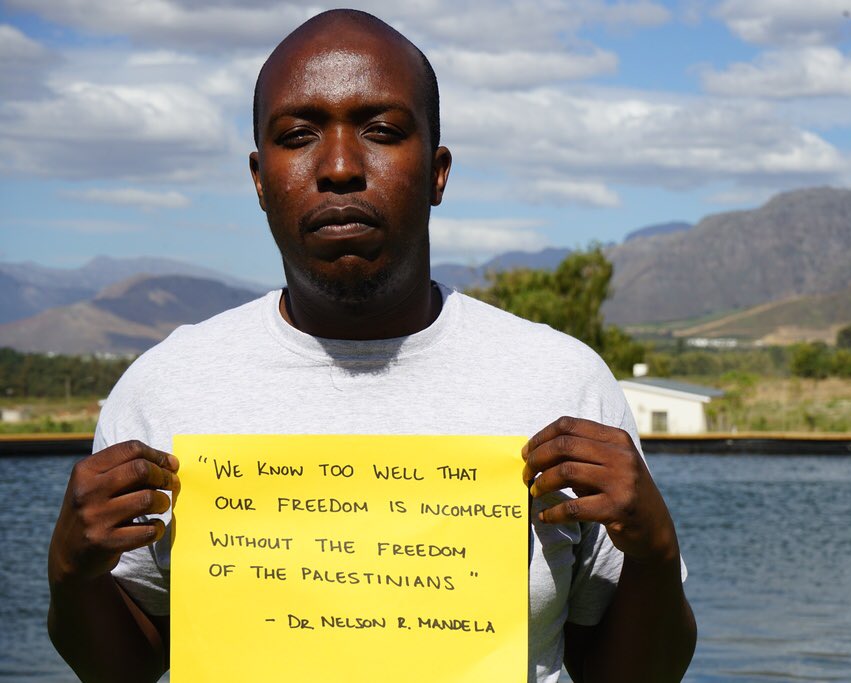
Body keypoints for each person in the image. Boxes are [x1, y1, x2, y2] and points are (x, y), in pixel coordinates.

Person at [47, 9, 696, 682]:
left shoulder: (562, 383)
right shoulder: (165, 390)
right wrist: (71, 573)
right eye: (297, 135)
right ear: (260, 179)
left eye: (381, 131)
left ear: (438, 172)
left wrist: (654, 550)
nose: (338, 166)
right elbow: (126, 666)